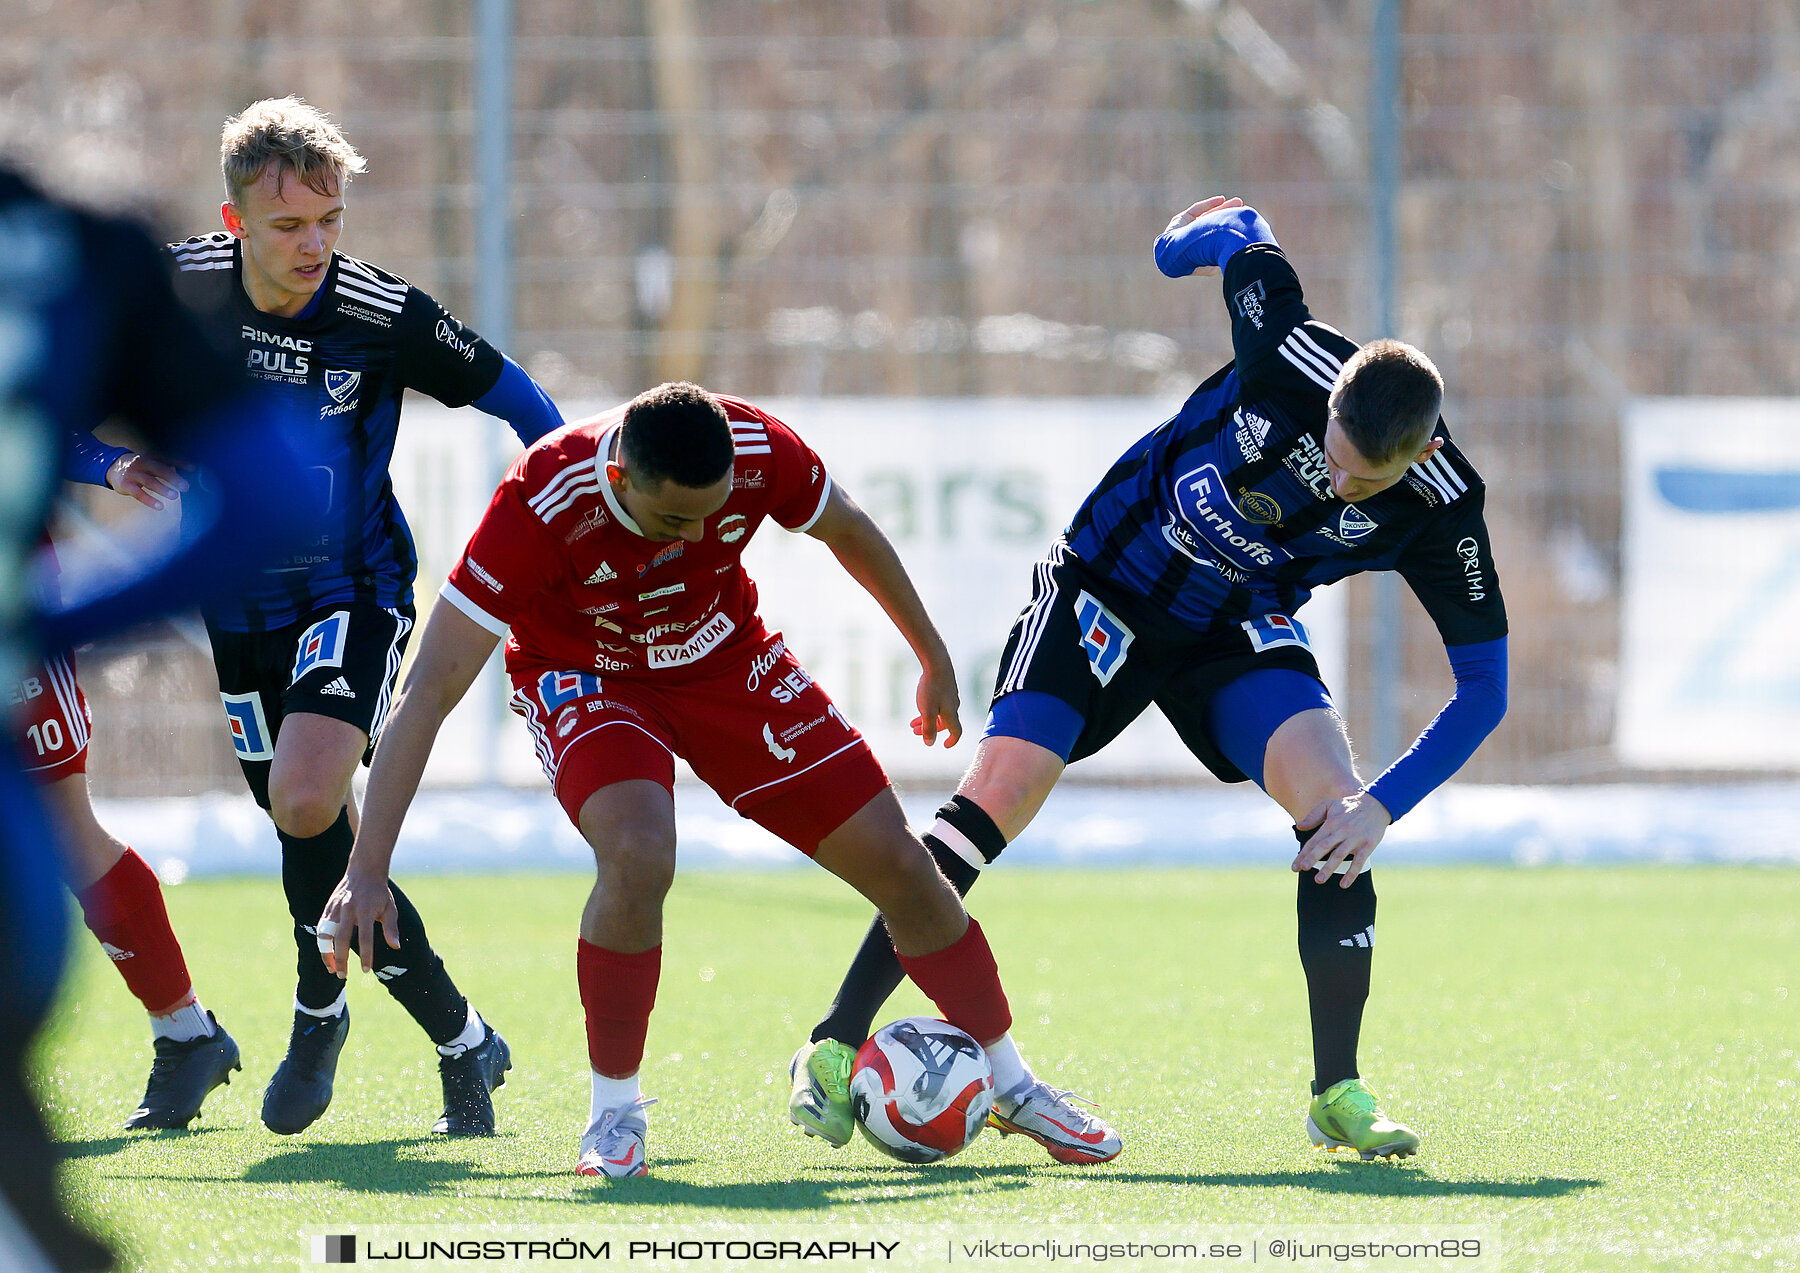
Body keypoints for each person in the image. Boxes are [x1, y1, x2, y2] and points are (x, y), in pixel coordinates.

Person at [797, 197, 1509, 1163]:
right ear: (1331, 399)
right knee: (999, 792)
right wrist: (1184, 244)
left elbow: (1484, 690)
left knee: (1336, 811)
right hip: (1107, 581)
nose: (1340, 487)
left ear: (1422, 451)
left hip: (1233, 623)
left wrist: (1383, 806)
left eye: (1364, 483)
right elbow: (1236, 237)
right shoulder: (1290, 351)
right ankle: (834, 1043)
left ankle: (1336, 1092)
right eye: (1335, 459)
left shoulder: (1442, 508)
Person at [318, 382, 1123, 1176]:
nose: (696, 535)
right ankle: (614, 1113)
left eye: (713, 516)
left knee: (906, 867)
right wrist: (367, 868)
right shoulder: (542, 497)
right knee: (638, 853)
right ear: (622, 478)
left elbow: (847, 526)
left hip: (727, 662)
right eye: (676, 519)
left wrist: (931, 650)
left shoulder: (756, 447)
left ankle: (1013, 1087)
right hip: (588, 676)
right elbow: (429, 689)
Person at [165, 97, 564, 1140]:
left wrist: (567, 522)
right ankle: (461, 1035)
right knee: (306, 824)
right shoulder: (176, 290)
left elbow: (523, 405)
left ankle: (314, 1010)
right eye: (290, 225)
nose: (315, 245)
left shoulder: (382, 314)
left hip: (355, 588)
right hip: (236, 603)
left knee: (304, 796)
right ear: (235, 217)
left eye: (331, 221)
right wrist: (118, 463)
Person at [0, 163, 319, 1272]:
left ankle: (184, 1030)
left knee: (74, 831)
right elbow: (274, 482)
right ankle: (187, 1033)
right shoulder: (74, 245)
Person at [24, 437, 240, 1132]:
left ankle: (186, 1032)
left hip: (14, 619)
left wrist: (103, 463)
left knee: (67, 832)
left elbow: (34, 406)